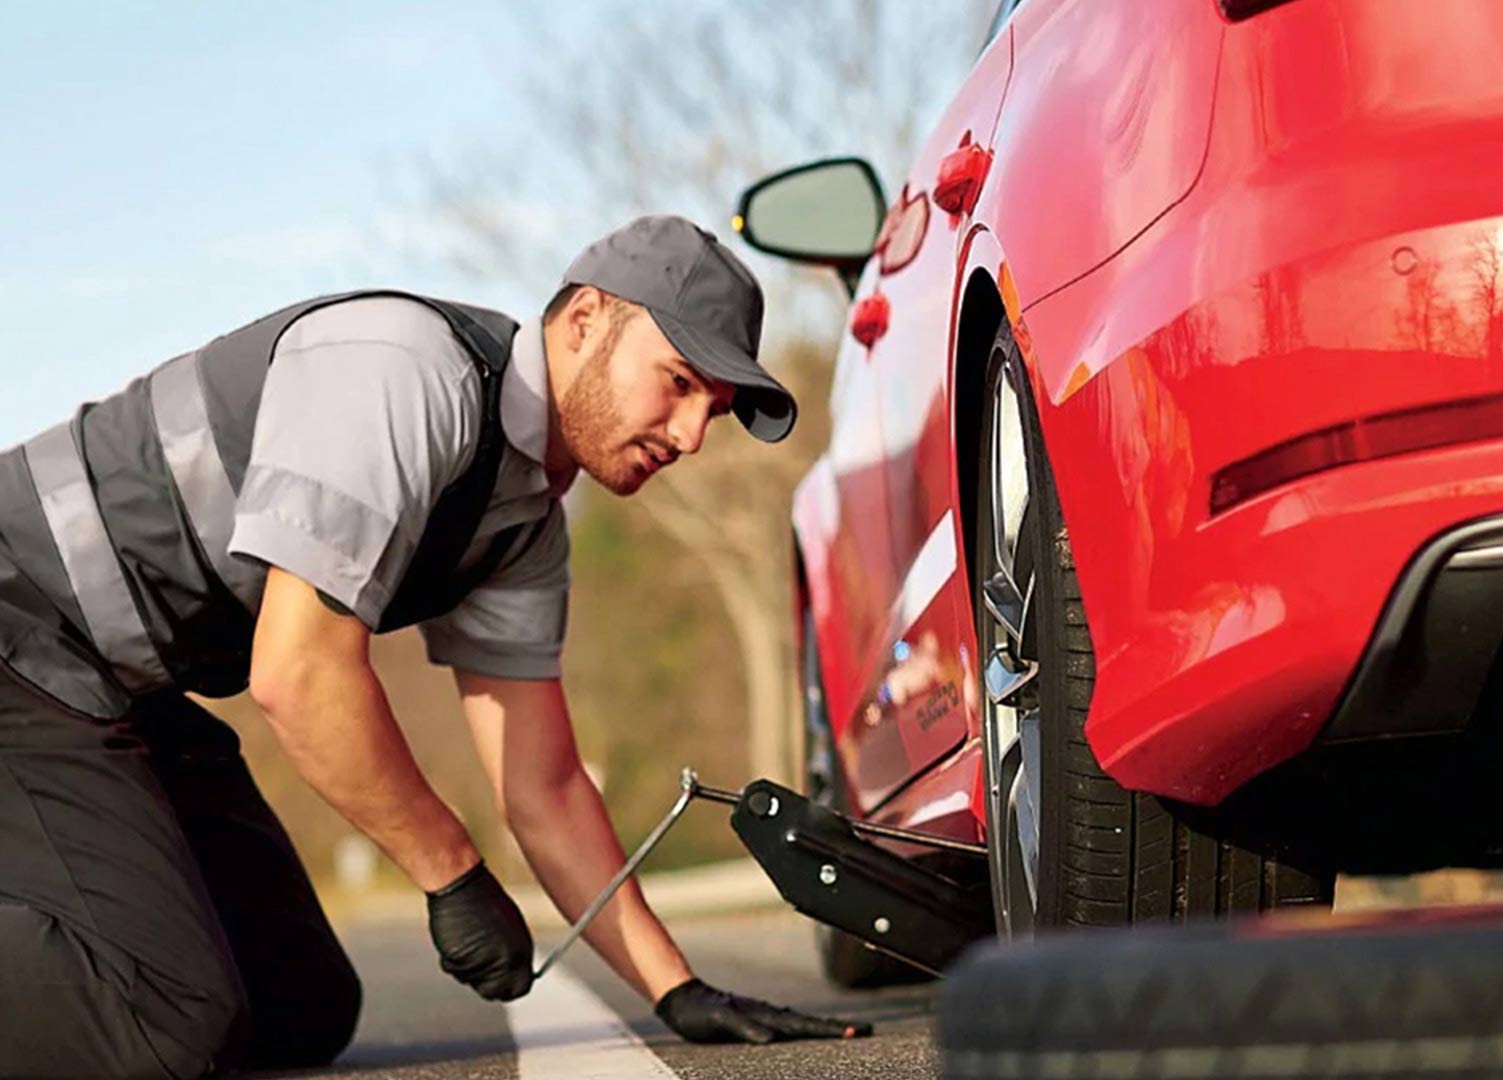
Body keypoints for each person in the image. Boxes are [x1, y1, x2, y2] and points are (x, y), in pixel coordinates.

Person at [0, 214, 870, 1079]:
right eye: (678, 382)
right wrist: (452, 873)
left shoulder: (525, 527)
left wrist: (677, 990)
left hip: (121, 684)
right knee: (164, 1019)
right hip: (23, 630)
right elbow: (298, 675)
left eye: (712, 412)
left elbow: (545, 784)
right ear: (584, 321)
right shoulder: (406, 375)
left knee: (302, 1005)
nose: (689, 436)